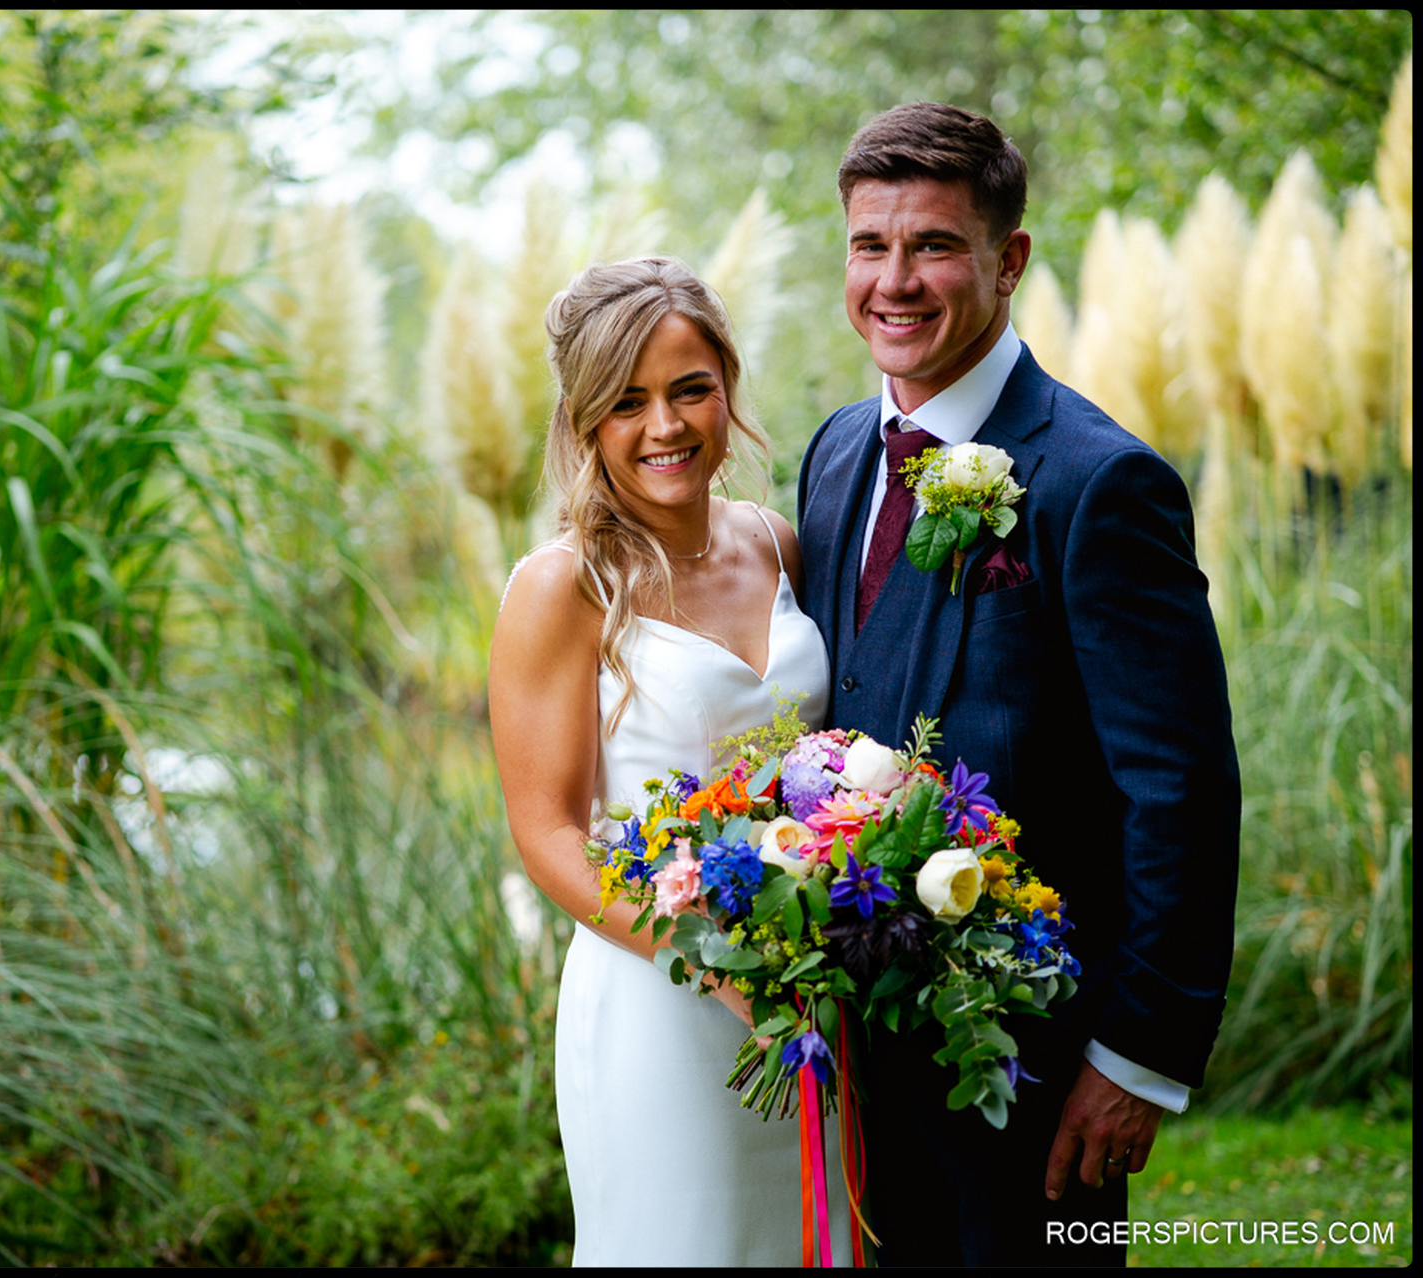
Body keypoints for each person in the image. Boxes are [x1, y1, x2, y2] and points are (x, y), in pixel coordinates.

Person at [794, 102, 1241, 1266]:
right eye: (869, 246)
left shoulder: (1103, 483)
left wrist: (1137, 1059)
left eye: (934, 245)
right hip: (852, 1052)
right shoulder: (836, 452)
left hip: (1031, 1069)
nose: (896, 281)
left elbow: (1181, 791)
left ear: (1009, 260)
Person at [489, 257, 850, 1266]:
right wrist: (710, 955)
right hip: (661, 994)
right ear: (585, 421)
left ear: (728, 386)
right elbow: (548, 830)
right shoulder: (562, 587)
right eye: (628, 403)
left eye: (691, 390)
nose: (667, 428)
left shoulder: (777, 544)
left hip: (807, 981)